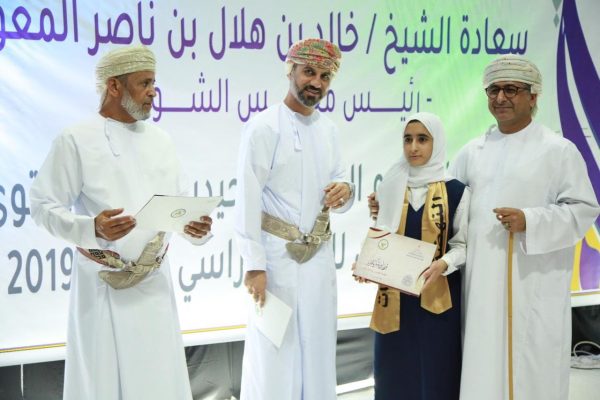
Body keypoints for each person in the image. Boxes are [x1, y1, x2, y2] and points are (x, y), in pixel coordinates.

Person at [29, 45, 213, 400]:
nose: (153, 92)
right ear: (114, 86)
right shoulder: (75, 139)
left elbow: (181, 206)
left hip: (155, 286)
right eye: (144, 83)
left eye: (154, 83)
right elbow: (41, 206)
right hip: (103, 286)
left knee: (159, 384)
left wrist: (196, 228)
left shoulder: (161, 141)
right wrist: (91, 228)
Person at [449, 55, 600, 400]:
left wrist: (530, 221)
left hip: (534, 282)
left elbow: (583, 210)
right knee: (482, 366)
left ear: (533, 96)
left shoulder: (558, 150)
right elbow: (445, 205)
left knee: (533, 367)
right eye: (494, 90)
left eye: (511, 89)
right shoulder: (471, 152)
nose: (500, 98)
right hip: (481, 287)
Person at [234, 38, 354, 400]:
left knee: (317, 348)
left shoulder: (328, 130)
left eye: (324, 76)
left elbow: (341, 180)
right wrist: (254, 265)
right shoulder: (264, 127)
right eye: (309, 72)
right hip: (276, 259)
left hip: (317, 258)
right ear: (290, 71)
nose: (316, 82)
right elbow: (246, 198)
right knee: (275, 352)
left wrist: (345, 191)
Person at [362, 112, 469, 400]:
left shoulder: (456, 191)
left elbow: (463, 245)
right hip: (395, 301)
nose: (413, 147)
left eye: (423, 139)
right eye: (407, 139)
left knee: (437, 375)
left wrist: (444, 263)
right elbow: (382, 238)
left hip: (438, 300)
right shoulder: (391, 185)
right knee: (394, 376)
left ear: (438, 142)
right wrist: (366, 264)